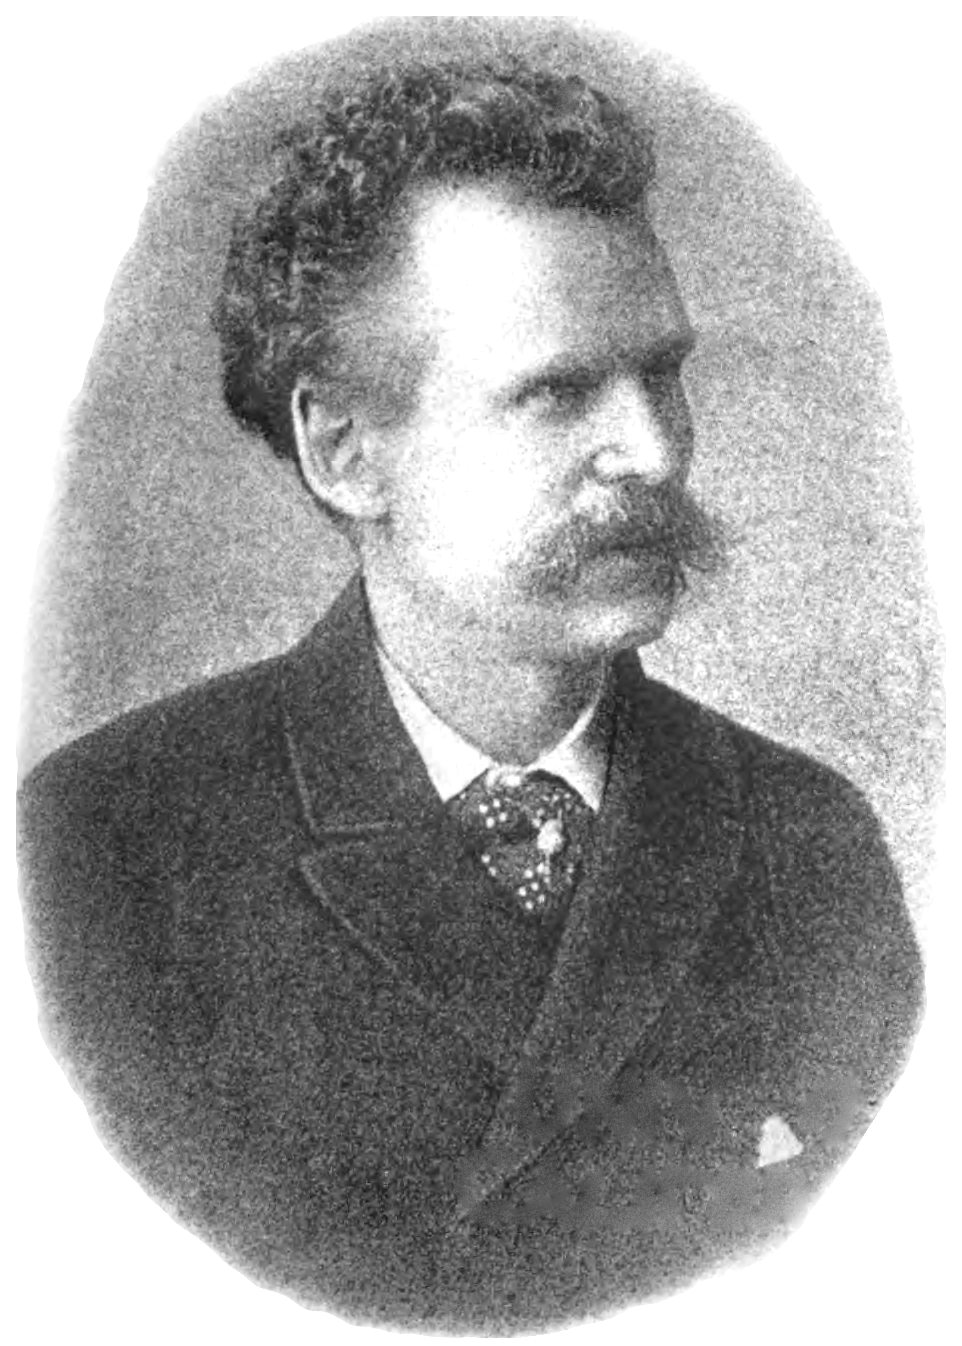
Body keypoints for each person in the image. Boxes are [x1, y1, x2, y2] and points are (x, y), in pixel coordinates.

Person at [17, 54, 922, 1333]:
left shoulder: (806, 846)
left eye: (661, 373)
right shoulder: (100, 852)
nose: (651, 450)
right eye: (555, 392)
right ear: (345, 450)